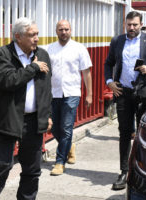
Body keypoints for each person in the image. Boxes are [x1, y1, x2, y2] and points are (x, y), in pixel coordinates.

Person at [0, 17, 52, 200]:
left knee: (32, 169)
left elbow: (46, 89)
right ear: (18, 37)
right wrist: (33, 68)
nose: (36, 38)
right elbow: (9, 81)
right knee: (3, 165)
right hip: (8, 118)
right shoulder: (3, 55)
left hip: (33, 120)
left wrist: (47, 115)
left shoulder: (43, 55)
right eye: (31, 35)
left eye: (37, 34)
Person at [104, 11, 146, 190]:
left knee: (144, 135)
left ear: (141, 25)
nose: (131, 28)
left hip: (144, 93)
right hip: (123, 92)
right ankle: (124, 171)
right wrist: (109, 82)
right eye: (129, 25)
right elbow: (108, 63)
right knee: (124, 133)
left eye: (135, 25)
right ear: (125, 24)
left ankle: (144, 171)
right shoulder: (117, 41)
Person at [47, 20, 93, 176]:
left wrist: (89, 94)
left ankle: (60, 162)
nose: (64, 32)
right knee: (54, 128)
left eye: (66, 29)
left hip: (72, 93)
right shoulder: (49, 49)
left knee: (66, 128)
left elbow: (86, 72)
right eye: (61, 29)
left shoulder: (79, 49)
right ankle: (69, 147)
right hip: (54, 93)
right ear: (56, 31)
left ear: (71, 30)